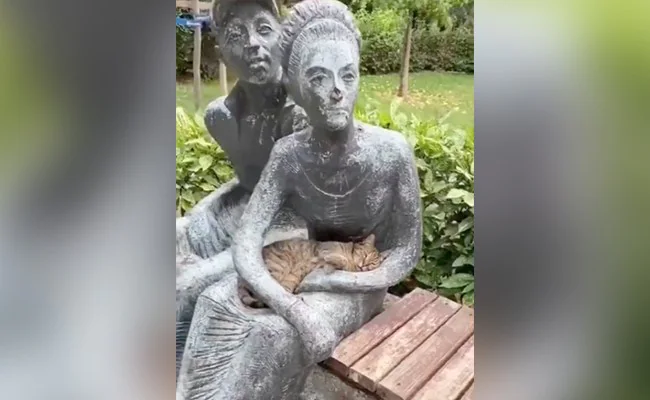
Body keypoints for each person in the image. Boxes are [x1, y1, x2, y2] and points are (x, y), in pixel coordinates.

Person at [176, 1, 423, 399]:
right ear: (295, 86)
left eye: (347, 74)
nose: (337, 90)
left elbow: (406, 251)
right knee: (212, 301)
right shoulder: (288, 154)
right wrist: (292, 304)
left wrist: (331, 281)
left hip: (357, 283)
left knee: (272, 335)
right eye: (318, 77)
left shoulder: (391, 152)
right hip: (306, 266)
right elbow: (247, 242)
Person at [175, 0, 308, 378]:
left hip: (293, 229)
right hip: (247, 212)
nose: (252, 43)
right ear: (222, 52)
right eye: (236, 35)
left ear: (283, 37)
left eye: (264, 29)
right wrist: (201, 213)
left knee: (186, 287)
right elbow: (249, 182)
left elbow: (308, 207)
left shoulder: (303, 113)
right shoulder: (222, 117)